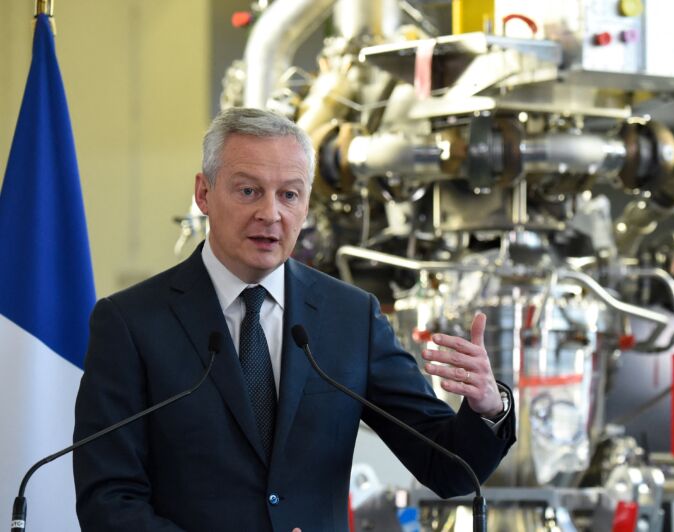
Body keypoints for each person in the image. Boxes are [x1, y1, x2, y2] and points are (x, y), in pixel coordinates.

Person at [73, 107, 515, 532]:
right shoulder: (131, 323)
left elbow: (448, 469)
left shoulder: (351, 317)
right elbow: (108, 500)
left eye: (289, 194)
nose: (271, 213)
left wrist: (487, 409)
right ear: (203, 194)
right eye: (248, 191)